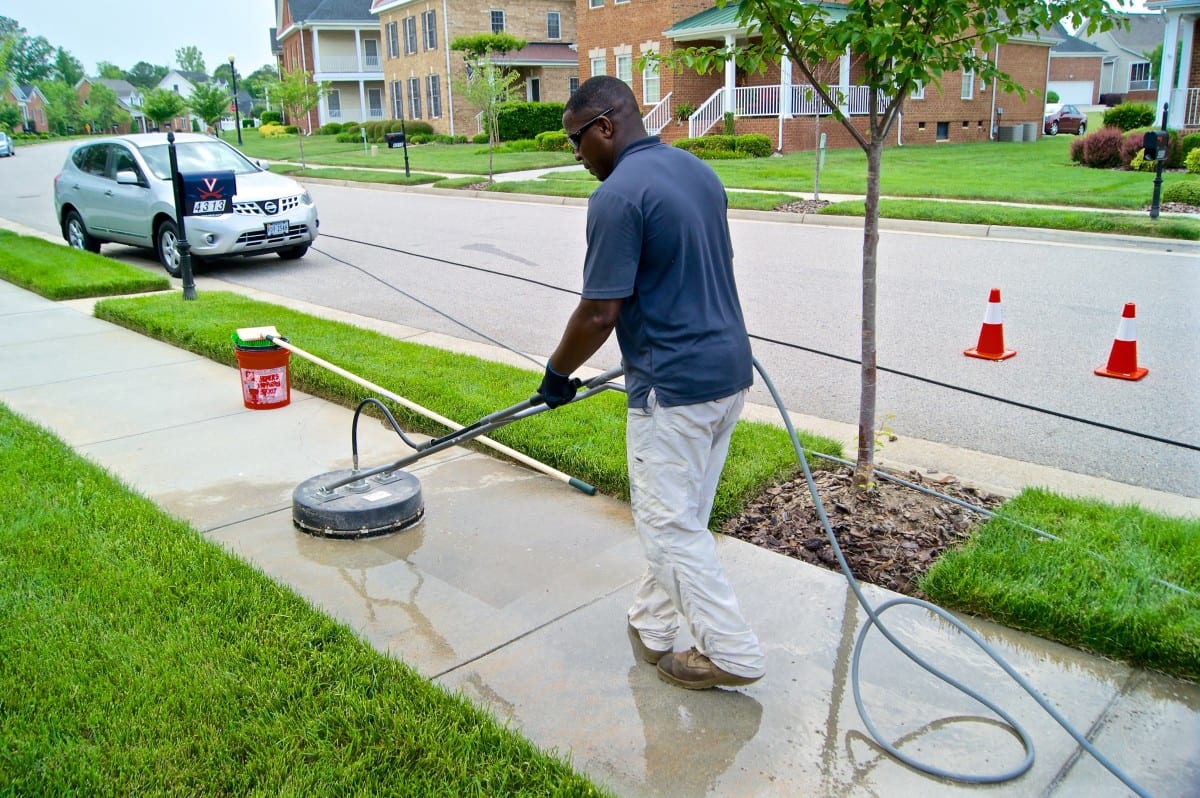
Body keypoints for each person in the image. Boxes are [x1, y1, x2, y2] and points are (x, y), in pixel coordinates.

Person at [536, 76, 765, 690]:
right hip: (727, 376)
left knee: (669, 524)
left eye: (576, 141)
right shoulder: (698, 172)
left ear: (605, 126)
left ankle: (731, 652)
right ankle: (653, 621)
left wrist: (557, 374)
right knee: (683, 515)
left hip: (675, 388)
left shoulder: (617, 196)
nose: (576, 155)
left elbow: (598, 312)